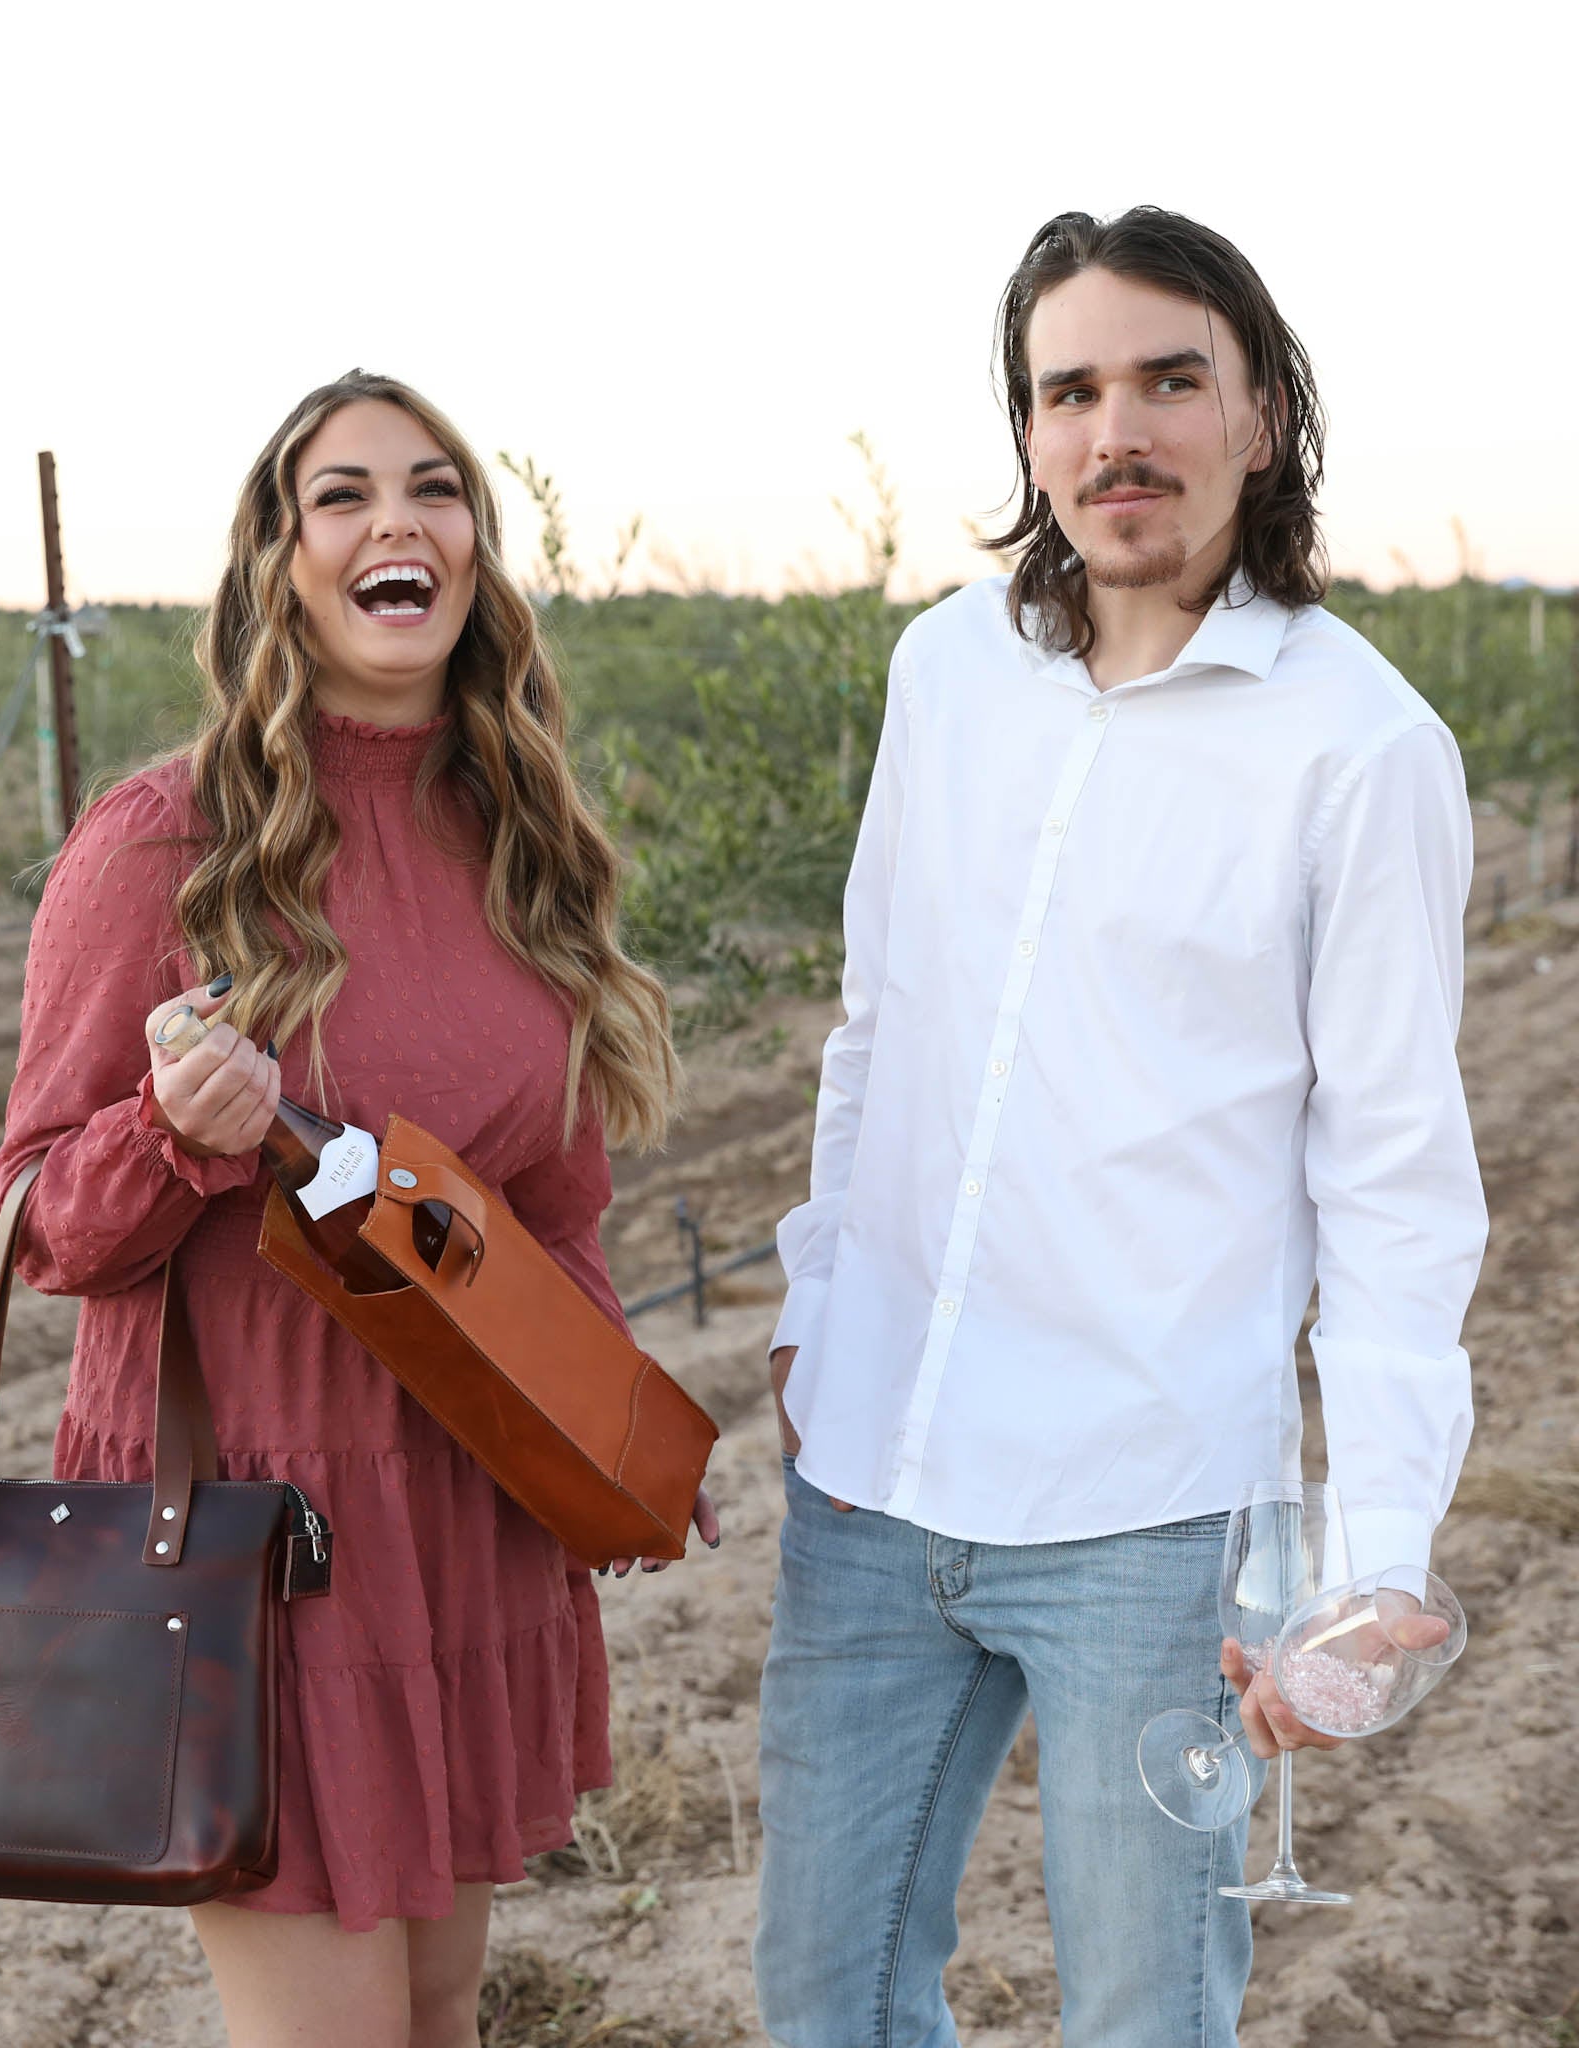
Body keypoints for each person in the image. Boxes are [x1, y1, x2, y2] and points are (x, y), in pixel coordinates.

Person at [754, 208, 1488, 2048]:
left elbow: (1396, 1178)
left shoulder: (1360, 747)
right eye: (1069, 390)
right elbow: (876, 1028)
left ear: (1262, 415)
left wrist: (1373, 1558)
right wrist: (814, 1306)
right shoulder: (944, 672)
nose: (1117, 431)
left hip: (1150, 1517)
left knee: (1147, 2022)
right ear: (1027, 430)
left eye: (1170, 379)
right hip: (875, 1471)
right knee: (825, 2001)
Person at [0, 370, 709, 2048]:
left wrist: (606, 1434)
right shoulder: (164, 842)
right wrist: (169, 1134)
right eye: (344, 495)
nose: (400, 520)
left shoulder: (515, 833)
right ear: (282, 564)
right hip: (260, 1535)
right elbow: (37, 1221)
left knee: (442, 2012)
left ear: (474, 547)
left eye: (436, 487)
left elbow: (559, 1210)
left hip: (464, 1508)